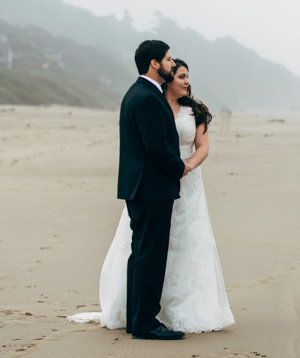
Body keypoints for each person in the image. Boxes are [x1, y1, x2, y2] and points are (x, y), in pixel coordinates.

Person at [69, 56, 234, 335]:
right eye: (180, 74)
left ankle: (163, 312)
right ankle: (142, 317)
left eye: (186, 76)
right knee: (149, 251)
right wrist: (175, 168)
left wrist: (187, 166)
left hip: (182, 180)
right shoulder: (151, 100)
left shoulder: (193, 110)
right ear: (165, 73)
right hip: (157, 183)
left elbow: (202, 145)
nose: (186, 80)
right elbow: (153, 147)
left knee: (179, 245)